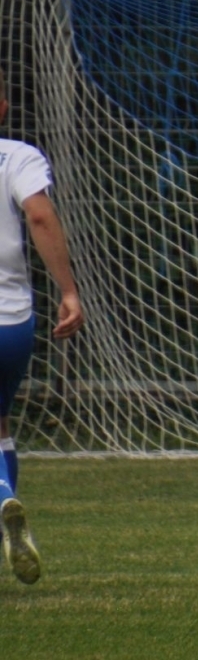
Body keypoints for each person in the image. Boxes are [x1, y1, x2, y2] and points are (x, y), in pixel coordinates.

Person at [0, 74, 83, 584]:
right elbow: (40, 217)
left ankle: (4, 496)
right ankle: (8, 506)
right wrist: (68, 291)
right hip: (12, 320)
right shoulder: (18, 156)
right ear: (4, 107)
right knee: (1, 421)